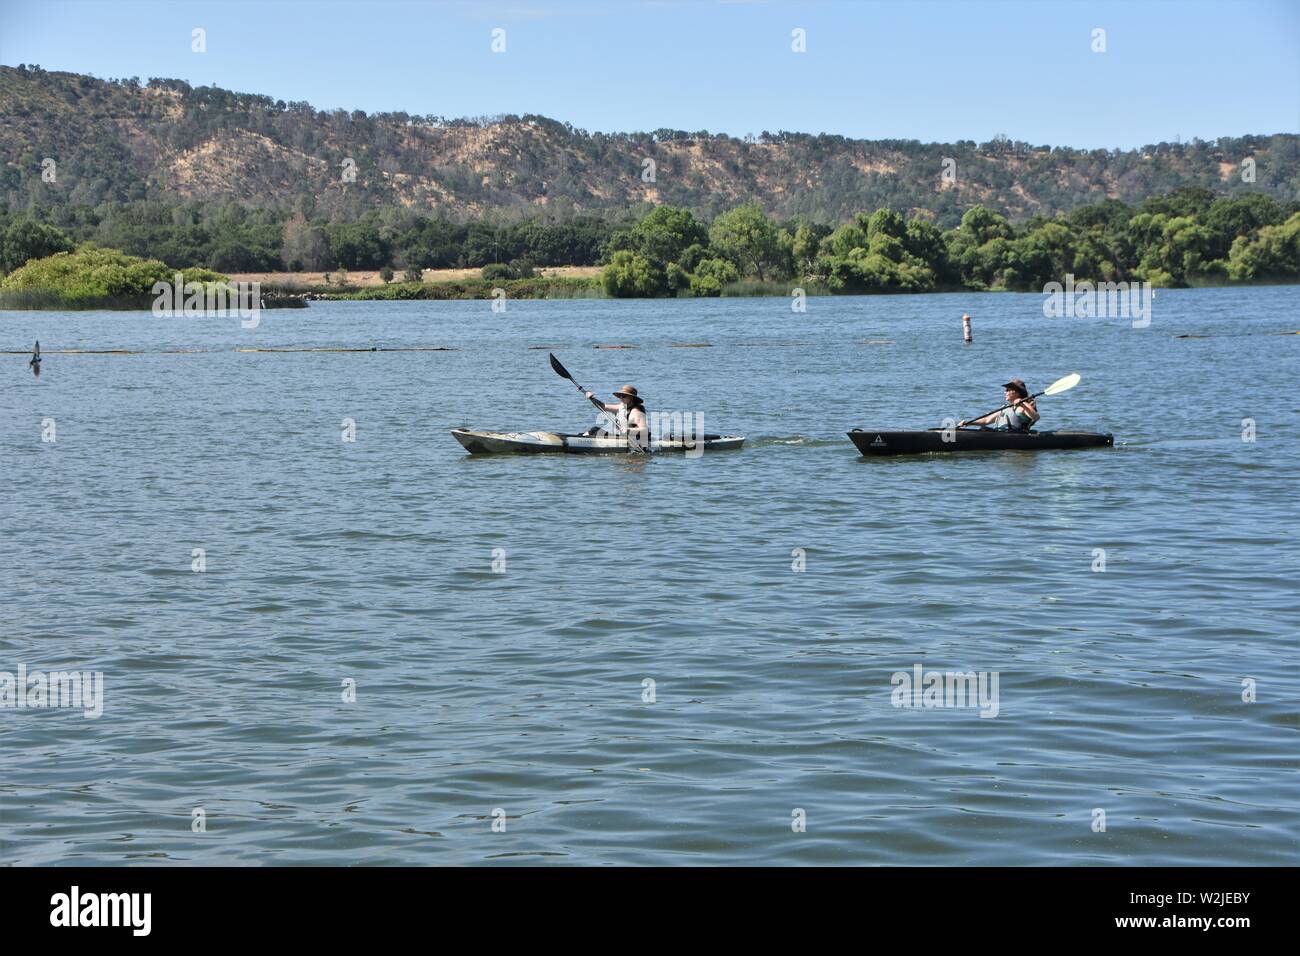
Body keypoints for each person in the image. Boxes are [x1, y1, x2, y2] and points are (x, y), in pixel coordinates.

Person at [961, 378, 1039, 431]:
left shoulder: (1024, 405)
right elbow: (986, 420)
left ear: (1016, 392)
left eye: (1007, 390)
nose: (1005, 392)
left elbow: (1036, 417)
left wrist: (1023, 405)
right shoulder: (1006, 408)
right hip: (1002, 435)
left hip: (1017, 436)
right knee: (983, 428)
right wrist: (969, 423)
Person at [584, 383, 650, 445]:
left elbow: (645, 430)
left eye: (623, 396)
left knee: (594, 431)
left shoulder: (636, 412)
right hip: (623, 438)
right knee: (594, 429)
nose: (621, 398)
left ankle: (582, 441)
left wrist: (628, 430)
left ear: (631, 398)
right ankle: (581, 439)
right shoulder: (621, 406)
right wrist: (592, 398)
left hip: (636, 440)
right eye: (620, 396)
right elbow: (603, 406)